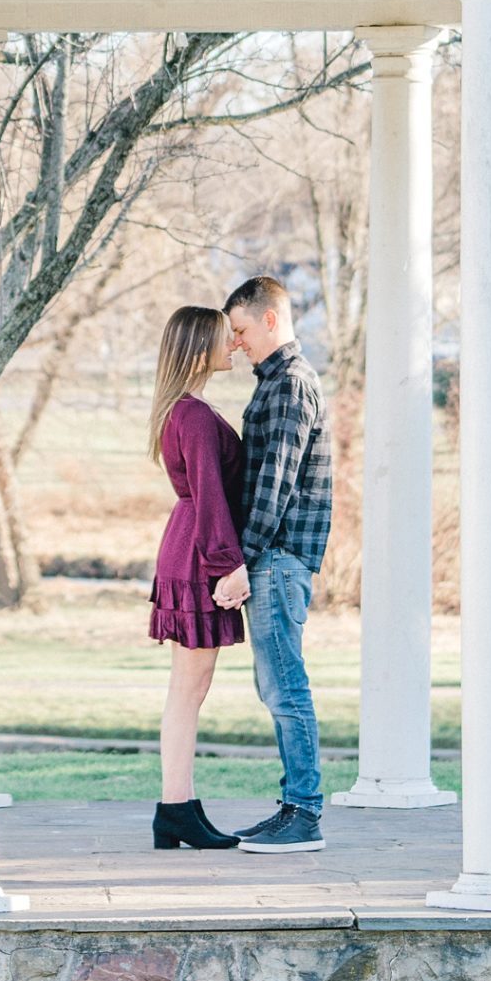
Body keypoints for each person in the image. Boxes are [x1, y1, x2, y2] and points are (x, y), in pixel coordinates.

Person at [221, 273, 332, 853]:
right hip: (277, 556)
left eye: (240, 330)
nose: (235, 343)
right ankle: (292, 805)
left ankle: (305, 813)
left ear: (270, 319)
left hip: (279, 556)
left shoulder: (289, 384)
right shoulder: (277, 383)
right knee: (277, 686)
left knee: (286, 688)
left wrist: (244, 557)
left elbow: (276, 484)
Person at [146, 304, 248, 853]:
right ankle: (175, 809)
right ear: (197, 348)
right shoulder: (195, 417)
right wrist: (228, 566)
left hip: (186, 546)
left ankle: (178, 808)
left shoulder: (182, 411)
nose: (232, 344)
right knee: (189, 689)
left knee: (191, 689)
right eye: (222, 338)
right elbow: (211, 498)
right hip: (197, 554)